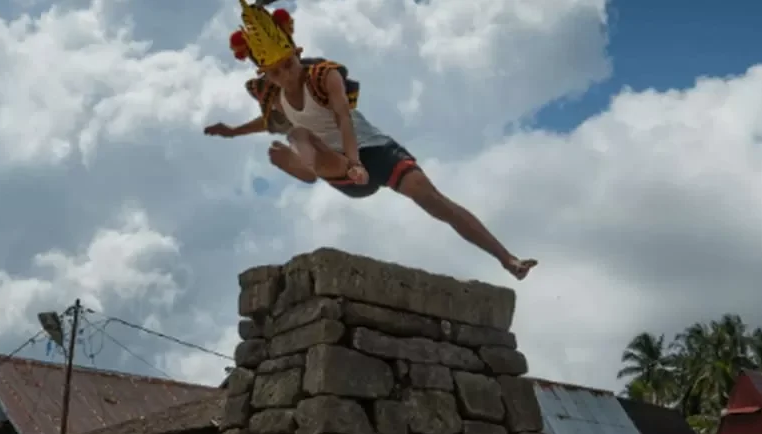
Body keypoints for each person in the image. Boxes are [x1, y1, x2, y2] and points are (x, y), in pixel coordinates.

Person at [204, 0, 536, 280]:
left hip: (374, 151)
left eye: (289, 66)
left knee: (434, 200)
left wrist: (357, 162)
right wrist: (233, 131)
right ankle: (307, 166)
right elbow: (268, 124)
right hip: (335, 166)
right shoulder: (275, 98)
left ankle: (508, 259)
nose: (286, 76)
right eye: (275, 73)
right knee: (297, 132)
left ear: (297, 55)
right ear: (266, 76)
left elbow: (343, 117)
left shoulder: (322, 75)